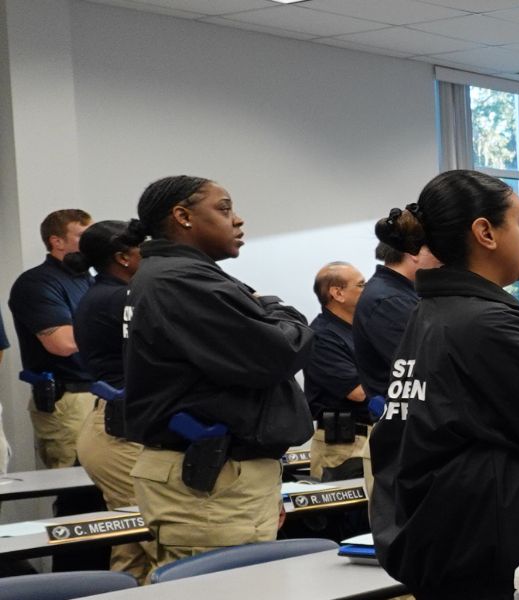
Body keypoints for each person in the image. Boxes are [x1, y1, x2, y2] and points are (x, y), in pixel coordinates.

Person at [370, 170, 519, 599]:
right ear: (485, 232)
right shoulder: (484, 324)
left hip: (458, 553)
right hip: (499, 567)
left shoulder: (432, 314)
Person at [121, 176, 314, 565]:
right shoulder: (178, 280)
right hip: (209, 485)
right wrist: (282, 310)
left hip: (221, 476)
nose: (238, 220)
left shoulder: (182, 274)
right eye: (224, 209)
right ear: (183, 216)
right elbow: (278, 352)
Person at [70, 220, 151, 578]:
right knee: (165, 543)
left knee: (132, 550)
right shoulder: (121, 298)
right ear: (122, 258)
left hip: (117, 427)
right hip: (122, 435)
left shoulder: (104, 292)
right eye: (142, 252)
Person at [10, 209, 95, 469]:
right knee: (77, 488)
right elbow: (62, 343)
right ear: (56, 241)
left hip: (102, 395)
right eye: (82, 236)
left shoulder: (90, 280)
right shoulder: (37, 282)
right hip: (69, 401)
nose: (91, 242)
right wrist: (108, 329)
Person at [355, 242, 435, 494]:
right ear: (414, 252)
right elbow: (429, 366)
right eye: (437, 249)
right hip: (403, 438)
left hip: (413, 437)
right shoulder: (389, 299)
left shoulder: (403, 293)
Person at [305, 262, 369, 480]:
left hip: (369, 436)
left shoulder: (362, 328)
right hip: (344, 446)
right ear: (337, 293)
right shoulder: (321, 336)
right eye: (361, 285)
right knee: (349, 513)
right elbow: (358, 391)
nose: (368, 290)